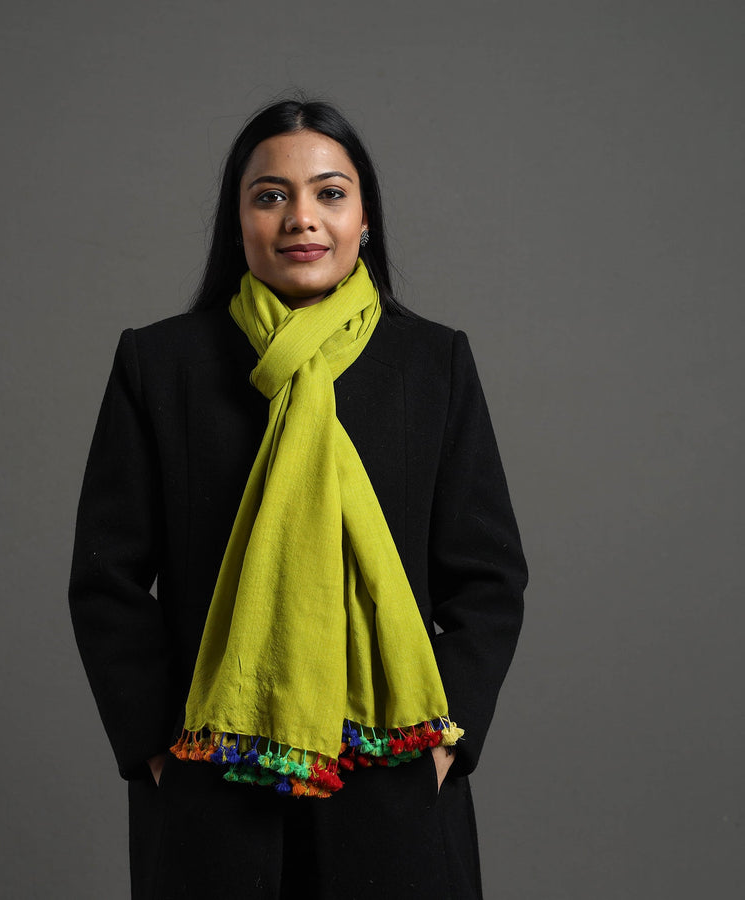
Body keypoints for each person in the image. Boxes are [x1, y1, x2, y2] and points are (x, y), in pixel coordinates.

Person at [69, 98, 527, 899]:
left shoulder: (433, 363)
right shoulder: (161, 364)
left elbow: (488, 577)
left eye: (330, 193)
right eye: (271, 195)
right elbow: (107, 580)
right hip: (213, 783)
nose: (301, 218)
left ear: (364, 219)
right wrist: (158, 750)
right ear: (238, 220)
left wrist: (443, 744)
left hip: (393, 784)